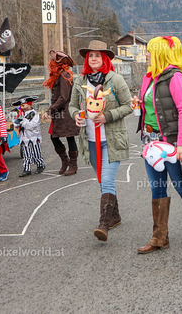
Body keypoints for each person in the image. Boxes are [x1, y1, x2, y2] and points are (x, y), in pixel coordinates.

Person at [136, 36, 182, 253]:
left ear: (160, 53)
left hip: (172, 142)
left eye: (149, 51)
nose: (146, 55)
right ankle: (159, 237)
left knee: (181, 185)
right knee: (157, 187)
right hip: (151, 142)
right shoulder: (148, 77)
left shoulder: (175, 77)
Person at [69, 40, 132, 242]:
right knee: (103, 181)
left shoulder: (115, 80)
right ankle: (115, 216)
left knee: (106, 180)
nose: (94, 58)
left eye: (98, 55)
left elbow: (129, 105)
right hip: (90, 141)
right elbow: (72, 106)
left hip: (112, 140)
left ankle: (103, 224)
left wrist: (108, 116)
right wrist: (76, 116)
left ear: (104, 58)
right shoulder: (80, 82)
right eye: (91, 55)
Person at [42, 49, 80, 176]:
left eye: (54, 62)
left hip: (66, 112)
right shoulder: (59, 75)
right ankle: (65, 161)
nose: (51, 64)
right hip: (59, 113)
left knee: (69, 137)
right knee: (54, 136)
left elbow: (63, 97)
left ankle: (73, 165)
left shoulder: (65, 76)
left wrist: (50, 110)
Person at [14, 96, 45, 177]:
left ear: (29, 104)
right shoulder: (21, 114)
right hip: (24, 138)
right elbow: (16, 124)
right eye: (21, 106)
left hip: (34, 137)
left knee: (36, 153)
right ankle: (26, 169)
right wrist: (17, 122)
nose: (22, 107)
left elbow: (32, 125)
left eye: (24, 105)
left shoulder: (34, 114)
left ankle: (40, 165)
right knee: (26, 155)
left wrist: (22, 123)